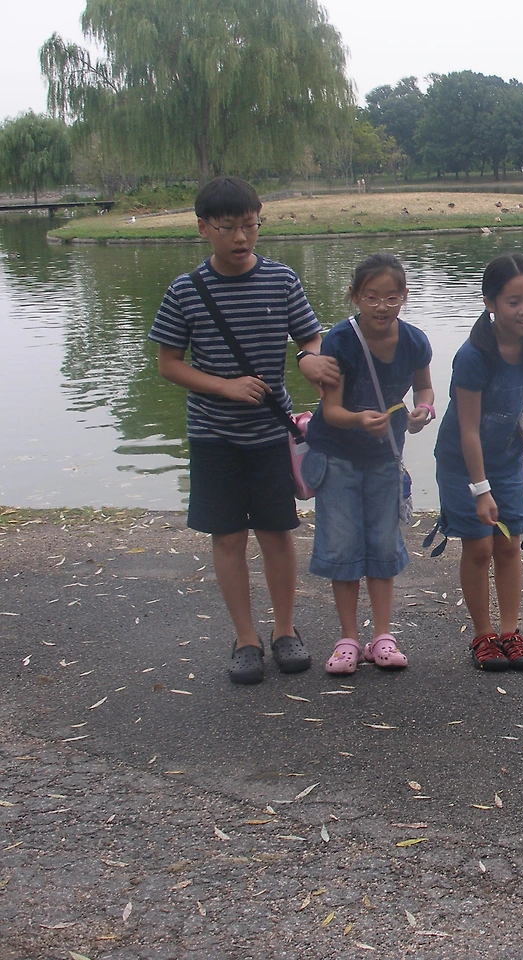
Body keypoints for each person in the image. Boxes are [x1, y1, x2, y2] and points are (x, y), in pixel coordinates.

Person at [149, 176, 340, 685]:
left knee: (277, 533)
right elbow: (169, 363)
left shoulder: (281, 280)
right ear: (203, 228)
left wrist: (308, 361)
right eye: (227, 228)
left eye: (250, 226)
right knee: (229, 536)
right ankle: (245, 638)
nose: (240, 238)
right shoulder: (186, 290)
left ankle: (285, 630)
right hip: (213, 435)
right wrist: (224, 386)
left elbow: (311, 340)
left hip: (271, 434)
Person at [301, 253, 435, 675]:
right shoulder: (340, 341)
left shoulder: (414, 341)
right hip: (337, 456)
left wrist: (424, 411)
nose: (382, 306)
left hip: (384, 458)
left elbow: (425, 388)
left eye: (391, 297)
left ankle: (382, 636)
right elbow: (331, 410)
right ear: (355, 296)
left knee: (382, 544)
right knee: (342, 546)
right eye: (372, 297)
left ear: (404, 296)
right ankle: (347, 639)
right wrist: (360, 419)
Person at [433, 253, 523, 672]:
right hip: (462, 463)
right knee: (479, 546)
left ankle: (510, 632)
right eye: (513, 302)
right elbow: (467, 429)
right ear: (490, 304)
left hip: (507, 458)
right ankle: (483, 635)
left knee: (509, 543)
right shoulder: (473, 356)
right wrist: (480, 490)